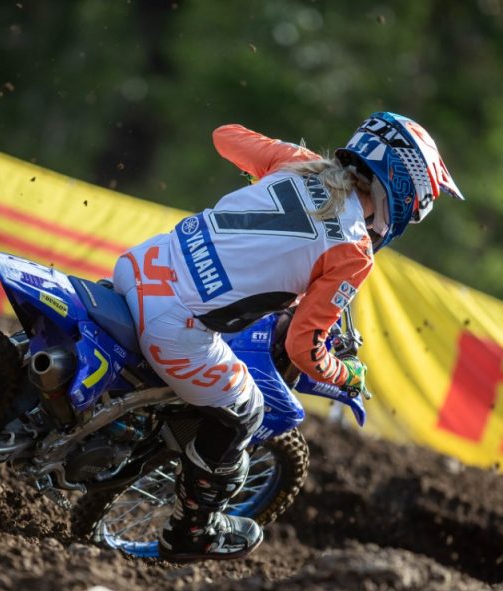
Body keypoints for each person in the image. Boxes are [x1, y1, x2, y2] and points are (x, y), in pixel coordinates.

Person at [112, 112, 463, 562]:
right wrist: (345, 372)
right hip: (173, 323)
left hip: (139, 265)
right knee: (244, 412)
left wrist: (271, 169)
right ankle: (192, 533)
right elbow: (303, 346)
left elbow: (224, 136)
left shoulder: (296, 162)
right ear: (403, 189)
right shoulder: (353, 250)